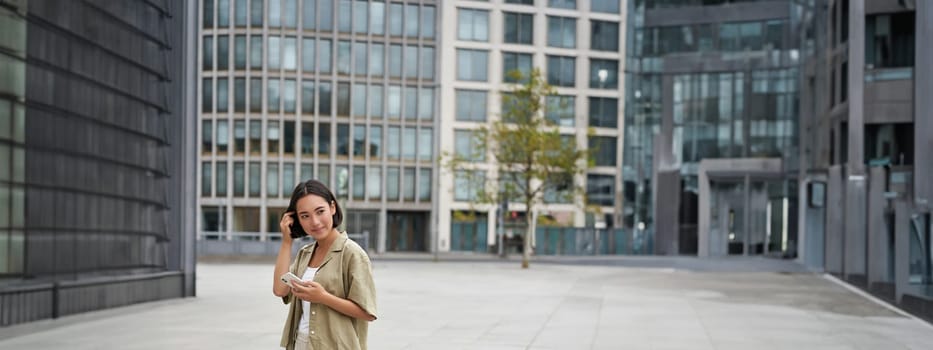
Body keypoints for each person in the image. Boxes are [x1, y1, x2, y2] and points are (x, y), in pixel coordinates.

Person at [273, 179, 377, 350]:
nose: (314, 221)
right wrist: (286, 242)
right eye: (305, 216)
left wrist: (323, 297)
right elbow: (279, 289)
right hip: (300, 342)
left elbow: (368, 313)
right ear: (296, 219)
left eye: (320, 211)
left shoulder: (352, 253)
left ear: (332, 208)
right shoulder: (305, 254)